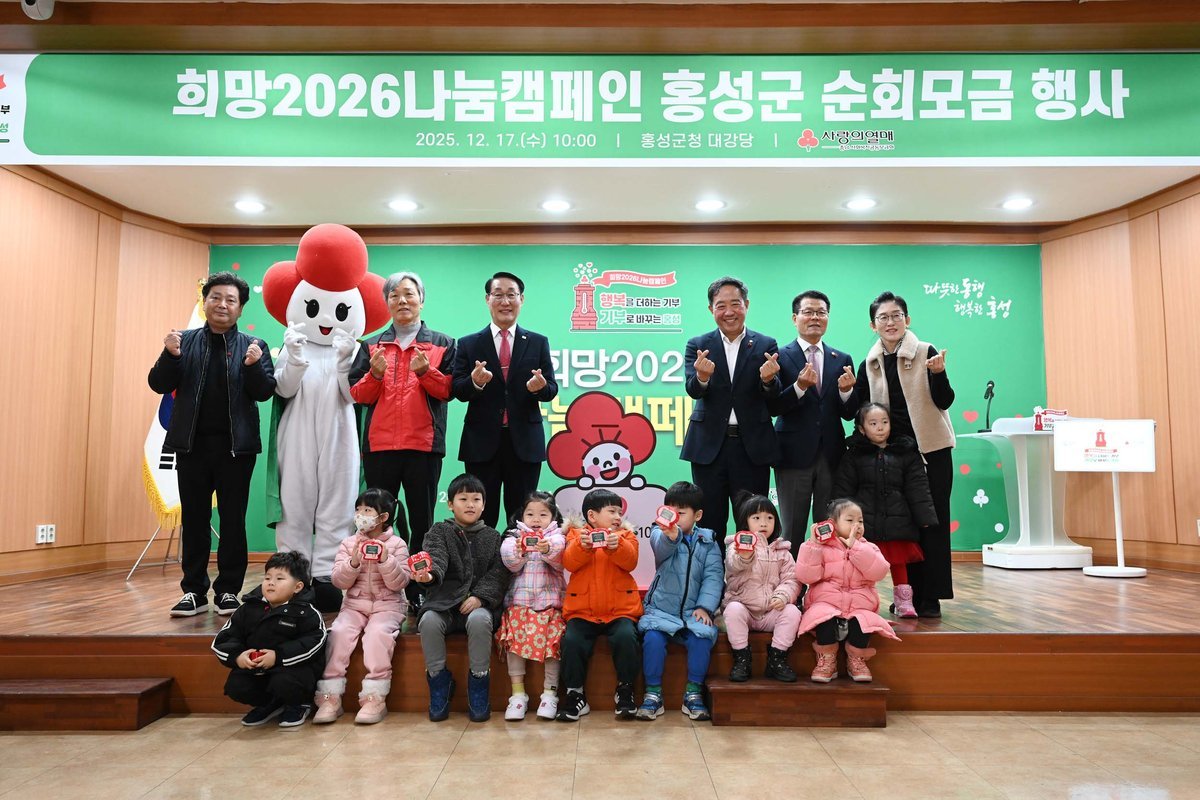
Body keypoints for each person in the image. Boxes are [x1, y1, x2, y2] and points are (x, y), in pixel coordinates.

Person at [148, 271, 276, 618]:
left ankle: (228, 591)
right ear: (204, 302)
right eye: (215, 297)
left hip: (237, 449)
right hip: (191, 447)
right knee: (195, 519)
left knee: (233, 521)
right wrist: (170, 356)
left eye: (230, 300)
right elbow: (158, 384)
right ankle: (193, 591)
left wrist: (252, 366)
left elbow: (265, 391)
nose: (222, 304)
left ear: (240, 308)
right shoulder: (183, 341)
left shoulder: (254, 346)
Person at [349, 271, 455, 621]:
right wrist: (375, 374)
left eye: (409, 294)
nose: (402, 301)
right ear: (387, 303)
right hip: (380, 445)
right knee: (377, 521)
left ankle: (420, 588)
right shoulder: (370, 345)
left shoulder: (442, 343)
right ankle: (377, 588)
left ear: (421, 299)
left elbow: (449, 391)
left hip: (423, 445)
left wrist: (426, 372)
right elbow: (359, 395)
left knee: (422, 521)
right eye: (394, 295)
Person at [852, 291, 956, 618]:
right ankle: (907, 596)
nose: (891, 322)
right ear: (873, 325)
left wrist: (938, 374)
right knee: (905, 527)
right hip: (894, 457)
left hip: (931, 451)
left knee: (934, 523)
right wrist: (846, 390)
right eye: (883, 317)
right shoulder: (869, 363)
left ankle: (931, 597)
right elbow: (860, 409)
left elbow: (945, 401)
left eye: (896, 315)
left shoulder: (926, 352)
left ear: (907, 319)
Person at [681, 277, 783, 546]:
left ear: (746, 305)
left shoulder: (766, 344)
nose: (729, 312)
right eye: (721, 305)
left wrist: (768, 380)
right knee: (709, 520)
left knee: (751, 519)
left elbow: (773, 395)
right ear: (711, 309)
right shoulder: (698, 344)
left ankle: (749, 573)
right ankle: (712, 571)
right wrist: (702, 377)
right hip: (709, 446)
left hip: (752, 447)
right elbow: (693, 389)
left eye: (735, 304)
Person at [451, 271, 558, 529]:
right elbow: (457, 389)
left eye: (512, 295)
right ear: (487, 299)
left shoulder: (537, 342)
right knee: (480, 516)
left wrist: (540, 388)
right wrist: (475, 382)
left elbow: (551, 389)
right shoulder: (468, 343)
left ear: (522, 299)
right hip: (481, 442)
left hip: (524, 442)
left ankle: (519, 556)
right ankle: (482, 557)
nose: (505, 301)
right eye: (498, 295)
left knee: (521, 515)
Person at [414, 473, 509, 723]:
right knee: (429, 621)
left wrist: (479, 597)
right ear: (450, 504)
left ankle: (479, 683)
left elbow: (498, 574)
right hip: (443, 603)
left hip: (478, 606)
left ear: (484, 505)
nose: (470, 504)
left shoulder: (493, 537)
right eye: (463, 499)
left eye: (476, 499)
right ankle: (439, 682)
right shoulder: (439, 531)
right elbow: (436, 558)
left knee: (480, 620)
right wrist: (429, 575)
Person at [769, 290, 857, 554]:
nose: (815, 317)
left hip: (831, 454)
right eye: (808, 312)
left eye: (821, 312)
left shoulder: (842, 359)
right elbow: (773, 406)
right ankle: (791, 579)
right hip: (792, 454)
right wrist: (799, 387)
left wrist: (846, 392)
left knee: (829, 528)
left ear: (828, 317)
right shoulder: (778, 356)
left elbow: (849, 412)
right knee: (792, 529)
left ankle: (826, 579)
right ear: (794, 318)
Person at [313, 488, 411, 725]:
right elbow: (339, 581)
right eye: (358, 510)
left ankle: (374, 698)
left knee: (377, 635)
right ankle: (330, 697)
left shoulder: (397, 544)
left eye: (367, 510)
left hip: (388, 606)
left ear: (383, 517)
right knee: (338, 633)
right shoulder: (349, 543)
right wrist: (353, 562)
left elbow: (400, 583)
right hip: (354, 606)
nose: (360, 515)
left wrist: (386, 560)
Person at [833, 403, 938, 619]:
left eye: (884, 422)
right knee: (862, 563)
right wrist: (841, 520)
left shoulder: (906, 453)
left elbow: (918, 487)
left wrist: (925, 516)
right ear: (862, 429)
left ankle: (904, 601)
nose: (880, 427)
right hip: (866, 524)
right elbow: (844, 489)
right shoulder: (854, 455)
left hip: (898, 522)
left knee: (899, 563)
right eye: (873, 423)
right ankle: (862, 600)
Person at [636, 481, 724, 722]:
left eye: (681, 512)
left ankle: (693, 693)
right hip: (661, 610)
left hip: (693, 612)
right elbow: (661, 549)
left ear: (698, 515)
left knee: (702, 638)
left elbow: (713, 576)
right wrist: (671, 536)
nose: (674, 516)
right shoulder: (659, 532)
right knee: (653, 639)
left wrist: (704, 607)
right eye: (670, 510)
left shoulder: (708, 541)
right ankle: (653, 693)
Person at [212, 551, 327, 728]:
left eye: (279, 579)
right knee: (236, 685)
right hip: (259, 670)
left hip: (292, 670)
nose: (271, 582)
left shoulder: (307, 612)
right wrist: (238, 656)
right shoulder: (248, 608)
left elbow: (314, 642)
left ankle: (298, 704)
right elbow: (224, 639)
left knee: (284, 681)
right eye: (267, 577)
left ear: (297, 587)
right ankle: (270, 704)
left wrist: (278, 656)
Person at [557, 488, 643, 722]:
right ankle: (575, 694)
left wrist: (617, 546)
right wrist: (582, 546)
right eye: (612, 511)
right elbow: (569, 563)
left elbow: (631, 562)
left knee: (626, 637)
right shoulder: (575, 536)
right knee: (571, 641)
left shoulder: (626, 536)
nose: (618, 517)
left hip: (620, 611)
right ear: (592, 516)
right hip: (582, 612)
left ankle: (625, 690)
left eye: (620, 512)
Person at [795, 498, 899, 683]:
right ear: (832, 524)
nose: (856, 525)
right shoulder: (820, 548)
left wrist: (856, 547)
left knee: (864, 620)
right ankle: (827, 659)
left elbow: (879, 571)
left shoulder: (868, 547)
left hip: (860, 604)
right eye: (850, 520)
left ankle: (856, 659)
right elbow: (806, 577)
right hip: (827, 602)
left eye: (860, 521)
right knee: (821, 615)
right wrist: (813, 545)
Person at [496, 491, 567, 721]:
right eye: (530, 514)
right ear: (521, 516)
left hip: (551, 605)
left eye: (543, 514)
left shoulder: (558, 537)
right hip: (520, 604)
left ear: (553, 517)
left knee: (554, 645)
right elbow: (510, 562)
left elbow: (561, 559)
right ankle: (518, 695)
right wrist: (521, 551)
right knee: (514, 644)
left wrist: (547, 550)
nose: (536, 519)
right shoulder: (513, 537)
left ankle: (550, 694)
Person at [722, 492, 802, 683]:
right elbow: (733, 564)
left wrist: (783, 596)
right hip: (745, 610)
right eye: (756, 518)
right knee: (733, 610)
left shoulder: (783, 551)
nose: (764, 523)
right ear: (745, 522)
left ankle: (777, 659)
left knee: (792, 612)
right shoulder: (735, 546)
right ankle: (742, 658)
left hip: (770, 612)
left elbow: (792, 580)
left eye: (769, 518)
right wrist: (745, 556)